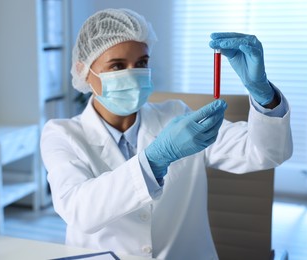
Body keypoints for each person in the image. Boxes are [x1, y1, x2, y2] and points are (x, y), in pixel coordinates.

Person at [40, 8, 293, 260]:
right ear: (84, 70)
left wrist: (264, 96)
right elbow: (79, 211)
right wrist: (155, 159)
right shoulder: (61, 134)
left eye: (142, 63)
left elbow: (265, 153)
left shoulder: (176, 115)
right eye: (117, 65)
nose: (133, 73)